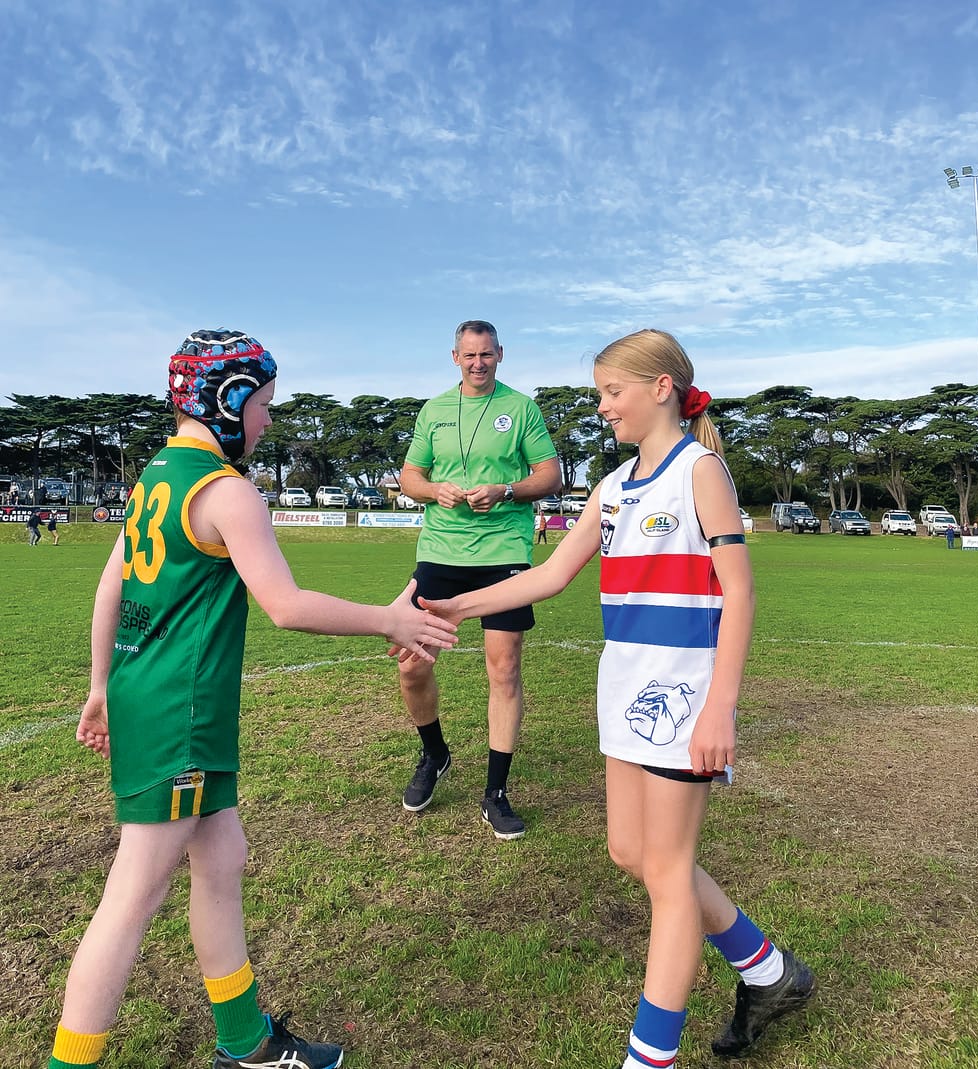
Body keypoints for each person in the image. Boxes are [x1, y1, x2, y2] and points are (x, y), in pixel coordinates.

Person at [47, 329, 457, 1069]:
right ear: (229, 400)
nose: (269, 420)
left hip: (153, 696)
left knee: (223, 854)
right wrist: (390, 619)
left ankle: (246, 1042)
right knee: (133, 895)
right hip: (182, 712)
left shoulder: (160, 471)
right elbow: (286, 604)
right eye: (264, 404)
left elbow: (113, 583)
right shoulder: (227, 490)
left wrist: (102, 682)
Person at [418, 329, 815, 1063]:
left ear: (660, 387)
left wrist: (721, 705)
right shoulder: (612, 486)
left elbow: (741, 591)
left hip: (686, 699)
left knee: (668, 874)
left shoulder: (702, 473)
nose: (603, 407)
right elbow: (546, 577)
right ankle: (769, 971)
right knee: (630, 851)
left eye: (612, 391)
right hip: (623, 691)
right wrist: (453, 609)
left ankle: (647, 1056)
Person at [396, 320, 562, 839]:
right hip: (441, 550)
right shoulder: (434, 411)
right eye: (469, 355)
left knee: (504, 667)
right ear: (454, 357)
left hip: (503, 551)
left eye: (486, 354)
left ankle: (496, 793)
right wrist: (431, 491)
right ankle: (435, 753)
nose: (478, 363)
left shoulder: (522, 408)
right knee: (411, 664)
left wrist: (507, 490)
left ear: (500, 355)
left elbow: (550, 475)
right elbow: (409, 477)